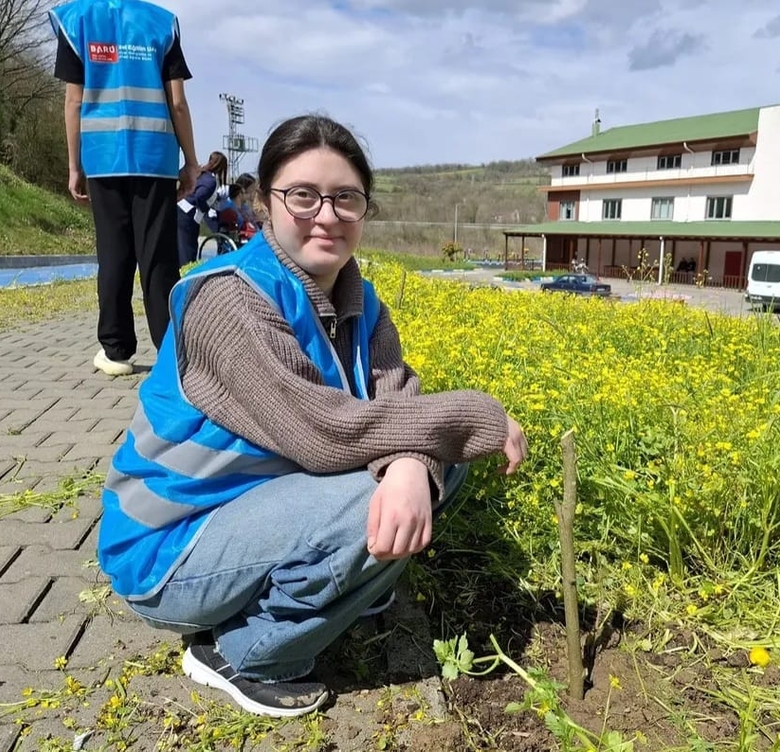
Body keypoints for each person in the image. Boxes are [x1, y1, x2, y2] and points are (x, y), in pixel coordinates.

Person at [98, 114, 529, 717]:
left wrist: (413, 461)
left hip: (258, 507)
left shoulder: (361, 301)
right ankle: (245, 653)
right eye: (303, 196)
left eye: (346, 198)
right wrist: (476, 415)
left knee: (437, 465)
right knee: (385, 487)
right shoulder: (228, 298)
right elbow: (322, 434)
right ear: (266, 204)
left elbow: (398, 399)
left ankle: (347, 579)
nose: (326, 215)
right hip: (172, 547)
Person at [49, 0, 200, 377]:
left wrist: (74, 165)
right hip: (155, 157)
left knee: (113, 253)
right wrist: (191, 162)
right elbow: (178, 103)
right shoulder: (162, 23)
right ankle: (171, 351)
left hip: (103, 158)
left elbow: (73, 101)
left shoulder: (76, 21)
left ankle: (116, 351)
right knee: (159, 257)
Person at [177, 150, 228, 266]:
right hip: (188, 214)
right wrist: (206, 208)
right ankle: (187, 272)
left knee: (182, 247)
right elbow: (199, 196)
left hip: (181, 210)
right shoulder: (211, 180)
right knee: (188, 249)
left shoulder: (201, 174)